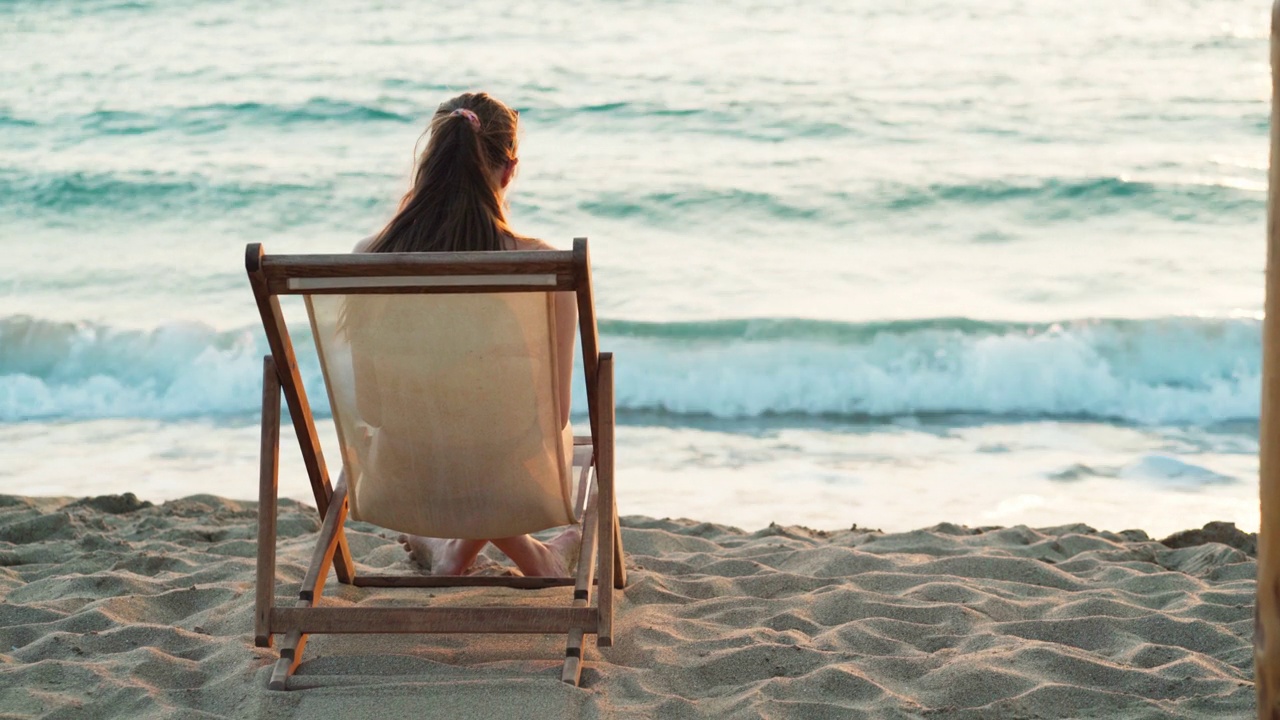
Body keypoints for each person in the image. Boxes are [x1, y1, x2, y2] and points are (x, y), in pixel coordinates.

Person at [354, 92, 581, 577]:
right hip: (512, 477)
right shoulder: (543, 266)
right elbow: (554, 416)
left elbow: (371, 408)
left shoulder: (368, 258)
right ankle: (538, 557)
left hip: (403, 474)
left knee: (461, 433)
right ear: (509, 169)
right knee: (498, 435)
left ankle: (451, 553)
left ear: (430, 162)